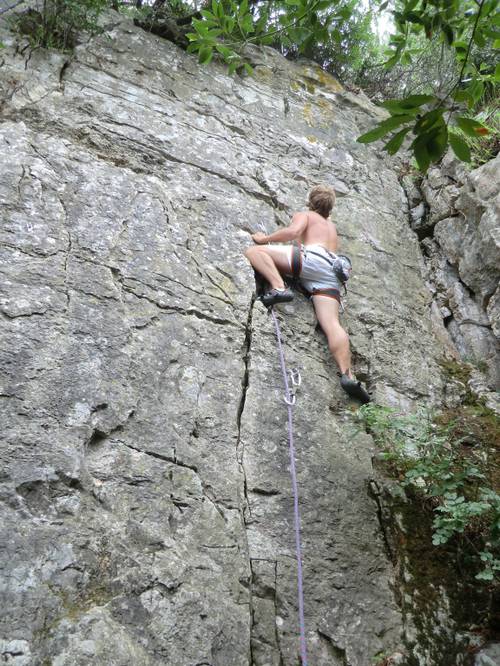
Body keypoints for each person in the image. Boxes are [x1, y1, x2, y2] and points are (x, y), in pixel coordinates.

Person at [243, 184, 370, 403]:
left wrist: (264, 239)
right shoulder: (331, 226)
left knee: (255, 252)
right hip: (332, 274)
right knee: (332, 324)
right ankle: (347, 375)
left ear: (311, 201)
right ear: (330, 207)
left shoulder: (307, 215)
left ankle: (278, 288)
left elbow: (293, 233)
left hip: (312, 261)